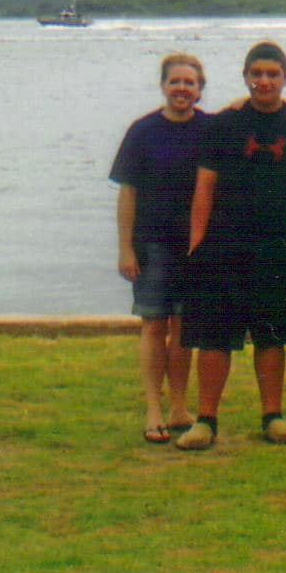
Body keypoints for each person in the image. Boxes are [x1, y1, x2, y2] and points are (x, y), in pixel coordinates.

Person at [175, 42, 286, 451]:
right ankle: (205, 420)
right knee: (213, 337)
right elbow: (204, 188)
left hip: (280, 245)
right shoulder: (223, 124)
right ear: (246, 77)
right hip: (223, 242)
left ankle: (273, 415)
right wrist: (196, 246)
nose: (264, 81)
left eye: (272, 74)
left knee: (271, 336)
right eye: (256, 74)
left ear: (285, 79)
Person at [111, 52, 210, 443]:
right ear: (163, 86)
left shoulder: (211, 128)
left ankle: (180, 406)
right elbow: (127, 193)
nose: (182, 88)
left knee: (184, 329)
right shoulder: (142, 131)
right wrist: (125, 249)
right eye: (175, 81)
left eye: (190, 82)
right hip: (151, 245)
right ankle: (153, 408)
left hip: (195, 248)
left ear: (200, 89)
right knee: (154, 325)